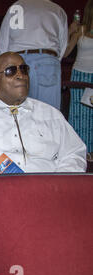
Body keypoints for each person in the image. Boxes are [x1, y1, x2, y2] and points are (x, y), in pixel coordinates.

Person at [0, 52, 86, 229]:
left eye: (24, 69)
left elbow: (74, 153)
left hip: (50, 191)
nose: (20, 75)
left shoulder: (50, 113)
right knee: (10, 219)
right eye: (10, 71)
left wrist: (58, 185)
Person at [0, 0, 68, 110]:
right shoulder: (57, 9)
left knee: (17, 113)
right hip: (47, 61)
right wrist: (54, 61)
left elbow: (3, 42)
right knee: (48, 113)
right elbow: (63, 44)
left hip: (17, 61)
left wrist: (4, 67)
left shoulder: (17, 6)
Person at [63, 0, 93, 157]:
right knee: (78, 114)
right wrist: (69, 32)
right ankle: (80, 152)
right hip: (80, 75)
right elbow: (65, 52)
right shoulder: (80, 30)